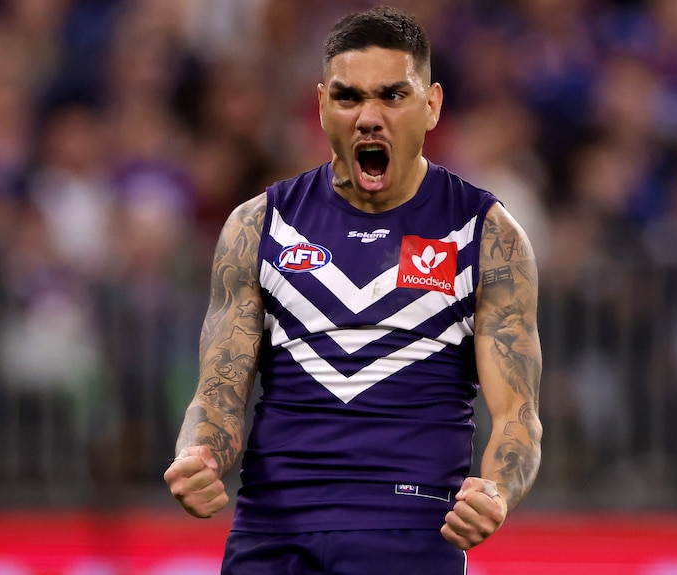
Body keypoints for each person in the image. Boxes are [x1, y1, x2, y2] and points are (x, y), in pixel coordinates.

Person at [163, 6, 543, 574]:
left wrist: (496, 491)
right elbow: (217, 394)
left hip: (410, 537)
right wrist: (198, 455)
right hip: (274, 535)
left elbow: (519, 415)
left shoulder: (486, 235)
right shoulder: (258, 226)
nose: (369, 117)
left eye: (393, 95)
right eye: (348, 97)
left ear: (432, 105)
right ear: (321, 106)